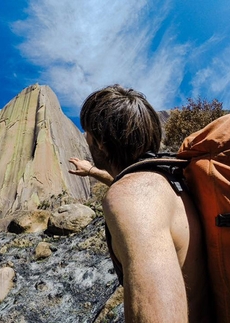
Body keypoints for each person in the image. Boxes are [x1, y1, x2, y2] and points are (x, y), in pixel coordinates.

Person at [69, 85, 212, 322]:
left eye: (88, 134)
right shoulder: (170, 177)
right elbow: (133, 184)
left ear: (100, 143)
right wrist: (94, 171)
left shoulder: (131, 197)